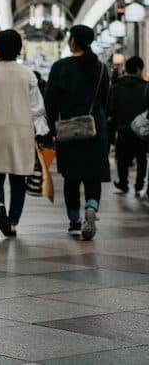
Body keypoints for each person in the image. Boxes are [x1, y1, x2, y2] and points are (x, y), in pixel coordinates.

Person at [0, 30, 49, 237]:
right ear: (19, 49)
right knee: (18, 179)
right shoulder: (27, 74)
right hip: (22, 132)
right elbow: (37, 108)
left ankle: (0, 207)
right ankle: (13, 222)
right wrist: (41, 132)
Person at [45, 25, 110, 240]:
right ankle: (91, 205)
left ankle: (74, 221)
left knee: (71, 178)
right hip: (95, 130)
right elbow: (105, 101)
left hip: (69, 131)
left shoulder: (60, 67)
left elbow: (50, 103)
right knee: (93, 176)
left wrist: (50, 128)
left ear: (72, 41)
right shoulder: (100, 68)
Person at [108, 56, 148, 196]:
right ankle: (139, 184)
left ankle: (123, 183)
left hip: (123, 128)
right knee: (141, 157)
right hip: (141, 130)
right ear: (138, 69)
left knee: (122, 158)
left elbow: (111, 109)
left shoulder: (117, 87)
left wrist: (113, 128)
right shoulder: (145, 87)